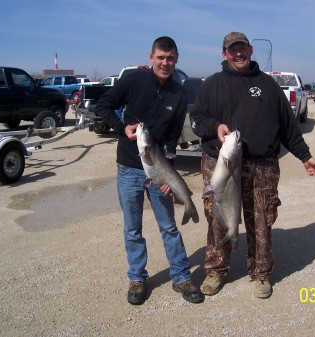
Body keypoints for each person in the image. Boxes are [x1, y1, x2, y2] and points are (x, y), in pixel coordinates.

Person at [190, 32, 315, 299]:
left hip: (261, 165)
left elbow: (288, 126)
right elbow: (197, 118)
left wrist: (305, 156)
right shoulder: (211, 85)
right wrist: (215, 126)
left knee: (261, 220)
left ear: (250, 50)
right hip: (220, 164)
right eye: (232, 50)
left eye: (242, 49)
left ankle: (260, 273)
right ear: (224, 54)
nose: (238, 54)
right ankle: (216, 270)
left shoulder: (268, 85)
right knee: (218, 219)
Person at [95, 36, 203, 305]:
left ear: (176, 59)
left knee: (168, 227)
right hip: (129, 169)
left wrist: (168, 175)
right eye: (160, 57)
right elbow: (103, 106)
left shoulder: (179, 93)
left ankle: (181, 277)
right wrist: (122, 128)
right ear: (151, 57)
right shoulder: (133, 80)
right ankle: (137, 278)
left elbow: (173, 137)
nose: (165, 63)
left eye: (170, 58)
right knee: (133, 228)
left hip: (158, 171)